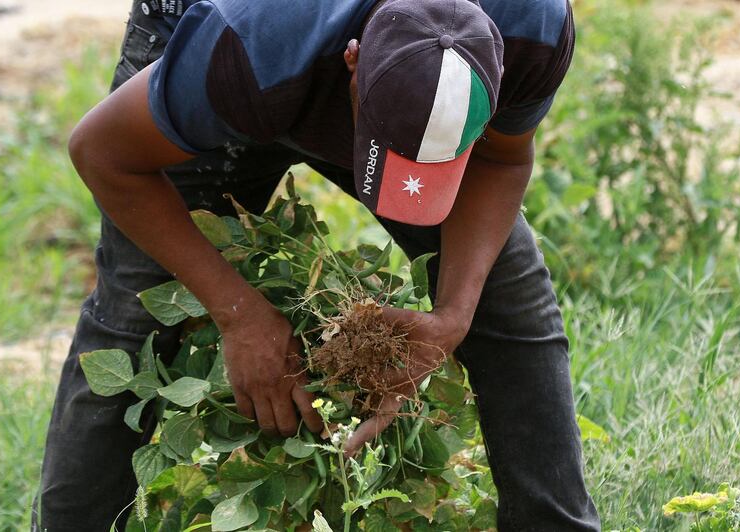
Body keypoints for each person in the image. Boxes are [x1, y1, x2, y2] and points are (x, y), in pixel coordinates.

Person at [32, 0, 600, 530]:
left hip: (318, 68)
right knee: (136, 316)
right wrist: (239, 315)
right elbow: (103, 153)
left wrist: (453, 315)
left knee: (506, 296)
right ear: (351, 62)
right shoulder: (247, 46)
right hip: (227, 41)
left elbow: (501, 160)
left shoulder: (532, 27)